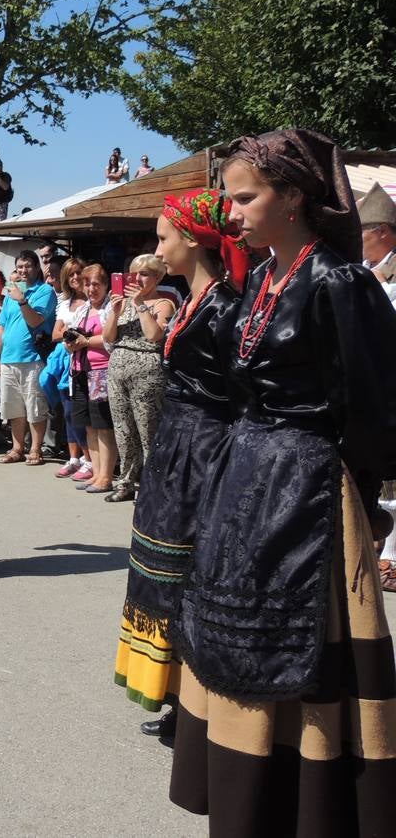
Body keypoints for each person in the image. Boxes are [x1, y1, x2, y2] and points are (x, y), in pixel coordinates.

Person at [162, 131, 396, 835]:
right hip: (248, 483)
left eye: (245, 197)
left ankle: (317, 812)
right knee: (233, 638)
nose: (232, 212)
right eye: (230, 199)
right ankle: (253, 806)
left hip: (312, 491)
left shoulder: (338, 281)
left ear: (293, 197)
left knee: (306, 648)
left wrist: (358, 498)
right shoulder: (260, 280)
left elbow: (376, 400)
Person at [111, 189, 245, 736]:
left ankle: (194, 700)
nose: (158, 250)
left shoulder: (223, 306)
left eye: (164, 238)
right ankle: (172, 696)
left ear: (193, 240)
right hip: (176, 447)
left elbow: (237, 393)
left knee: (188, 572)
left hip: (203, 450)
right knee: (163, 570)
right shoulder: (194, 301)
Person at [102, 255, 175, 503]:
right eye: (134, 274)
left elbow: (155, 336)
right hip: (118, 369)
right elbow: (109, 337)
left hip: (147, 373)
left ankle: (150, 483)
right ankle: (125, 481)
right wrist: (115, 311)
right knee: (123, 430)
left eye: (144, 274)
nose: (138, 279)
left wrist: (141, 305)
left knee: (147, 430)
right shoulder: (123, 303)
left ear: (157, 277)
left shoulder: (164, 302)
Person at [0, 251, 56, 465]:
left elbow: (36, 320)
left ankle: (36, 449)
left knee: (35, 406)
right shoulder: (12, 292)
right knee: (13, 407)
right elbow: (2, 326)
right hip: (9, 358)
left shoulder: (45, 291)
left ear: (37, 268)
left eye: (28, 266)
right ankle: (17, 448)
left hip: (33, 357)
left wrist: (22, 301)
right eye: (20, 266)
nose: (23, 270)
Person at [63, 265, 116, 493]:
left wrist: (85, 342)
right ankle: (96, 472)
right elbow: (68, 340)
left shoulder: (110, 309)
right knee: (89, 425)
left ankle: (106, 476)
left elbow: (110, 339)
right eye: (87, 284)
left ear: (105, 285)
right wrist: (71, 343)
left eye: (96, 284)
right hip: (80, 371)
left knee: (103, 425)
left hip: (101, 371)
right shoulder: (82, 310)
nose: (91, 288)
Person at [50, 258, 90, 480]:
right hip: (66, 363)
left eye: (78, 273)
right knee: (67, 412)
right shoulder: (64, 303)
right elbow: (55, 334)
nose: (75, 278)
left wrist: (68, 330)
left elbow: (85, 331)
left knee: (83, 413)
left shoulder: (93, 301)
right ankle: (74, 458)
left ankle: (89, 459)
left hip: (87, 362)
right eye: (71, 274)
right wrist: (68, 331)